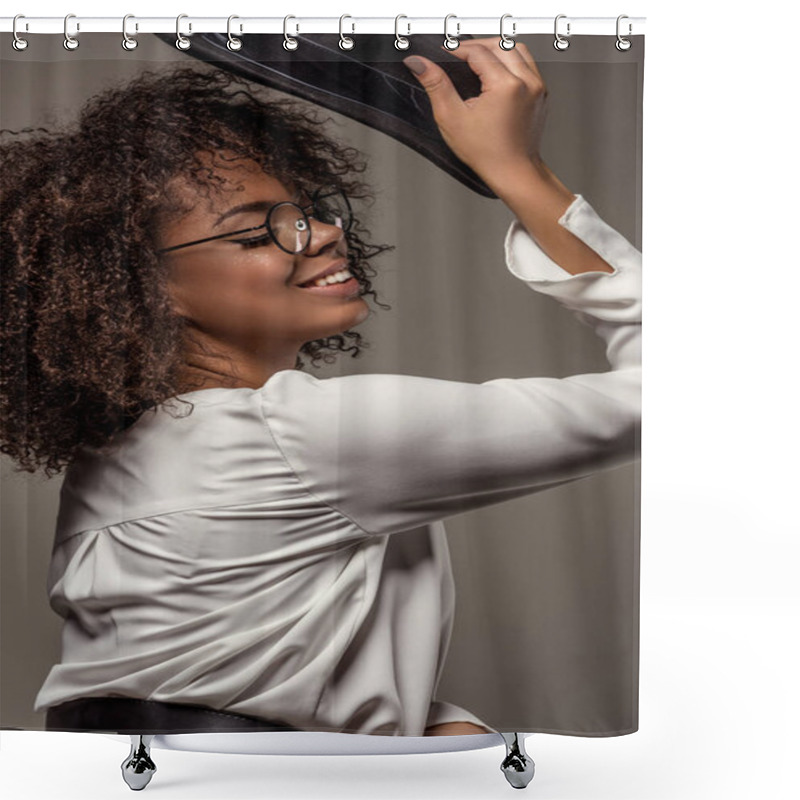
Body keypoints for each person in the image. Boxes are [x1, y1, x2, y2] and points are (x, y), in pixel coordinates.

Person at [0, 38, 641, 737]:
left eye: (305, 211)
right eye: (257, 234)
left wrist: (429, 729)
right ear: (142, 289)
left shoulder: (123, 458)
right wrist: (522, 171)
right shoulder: (296, 437)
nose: (326, 234)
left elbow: (249, 665)